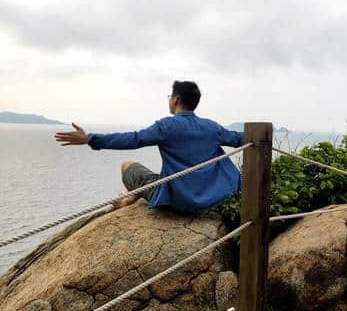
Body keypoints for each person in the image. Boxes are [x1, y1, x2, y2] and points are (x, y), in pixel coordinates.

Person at [54, 80, 244, 212]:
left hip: (176, 202)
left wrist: (90, 139)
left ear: (176, 99)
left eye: (170, 96)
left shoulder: (166, 126)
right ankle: (131, 198)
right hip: (207, 200)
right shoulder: (212, 127)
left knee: (127, 165)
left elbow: (133, 139)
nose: (169, 99)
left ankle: (130, 198)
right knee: (159, 177)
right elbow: (240, 138)